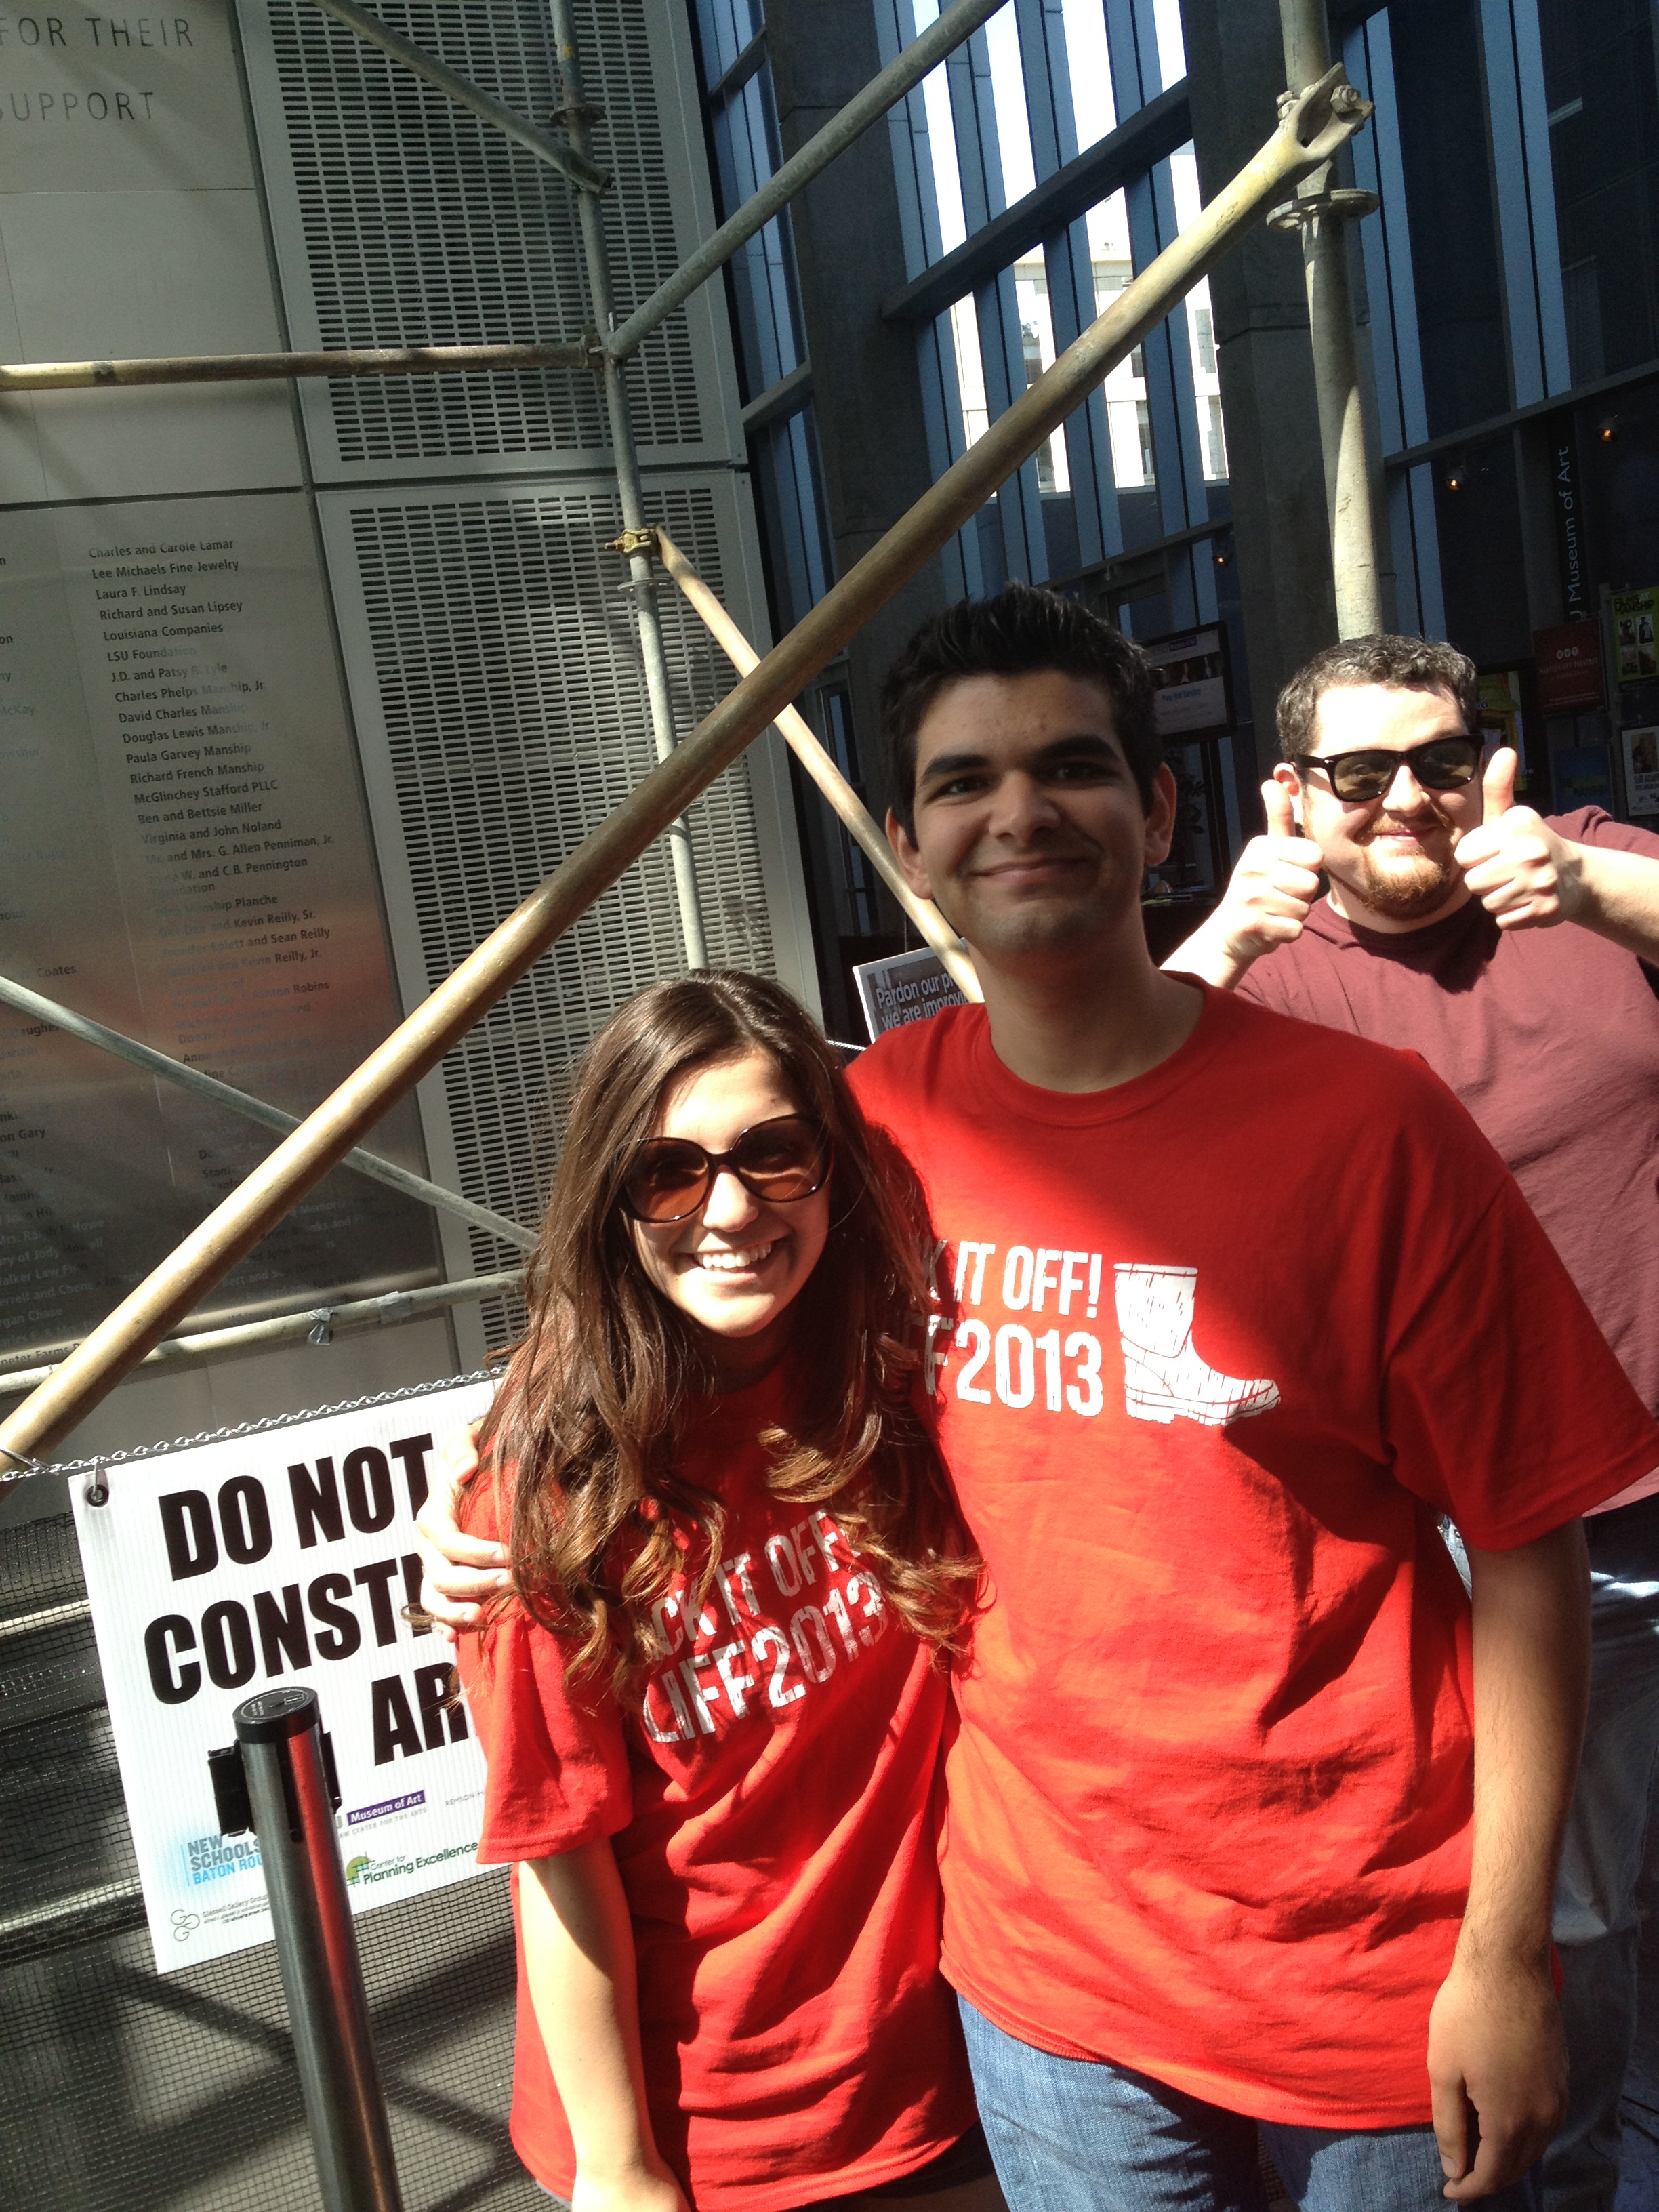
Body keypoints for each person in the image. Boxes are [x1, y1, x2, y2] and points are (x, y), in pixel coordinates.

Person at [424, 586, 1659, 2212]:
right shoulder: (876, 1127)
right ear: (910, 841)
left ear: (1158, 810)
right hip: (1044, 2005)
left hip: (1362, 1975)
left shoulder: (1376, 1130)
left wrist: (1504, 1955)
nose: (1021, 811)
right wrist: (502, 1442)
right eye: (963, 782)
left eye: (1071, 765)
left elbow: (1526, 1549)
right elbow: (681, 1236)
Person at [1165, 633, 1659, 2211]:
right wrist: (1206, 964)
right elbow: (1086, 1120)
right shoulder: (1265, 963)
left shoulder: (1581, 870)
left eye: (1441, 760)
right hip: (1480, 1539)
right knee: (1564, 1926)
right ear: (1288, 797)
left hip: (1654, 1475)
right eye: (1360, 775)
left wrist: (1592, 898)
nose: (1412, 802)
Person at [450, 970, 1003, 2212]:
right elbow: (558, 1855)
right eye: (671, 1172)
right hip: (713, 2132)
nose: (732, 1207)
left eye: (775, 1154)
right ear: (614, 1201)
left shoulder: (891, 1382)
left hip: (951, 2071)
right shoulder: (553, 1490)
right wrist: (620, 2167)